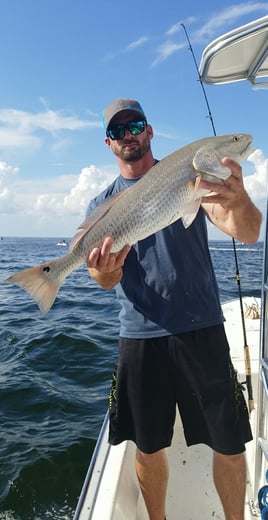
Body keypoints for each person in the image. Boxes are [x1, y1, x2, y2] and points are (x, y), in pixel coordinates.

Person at [86, 98, 262, 520]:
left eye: (136, 126)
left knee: (229, 441)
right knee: (147, 446)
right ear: (109, 143)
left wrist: (237, 199)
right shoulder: (101, 206)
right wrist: (103, 273)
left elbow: (251, 232)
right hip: (139, 335)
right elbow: (105, 280)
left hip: (201, 326)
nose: (129, 136)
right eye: (119, 131)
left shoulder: (194, 177)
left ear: (150, 131)